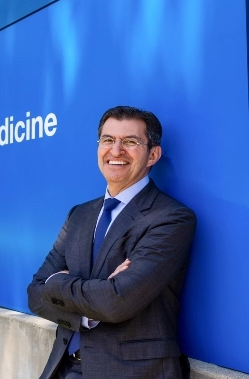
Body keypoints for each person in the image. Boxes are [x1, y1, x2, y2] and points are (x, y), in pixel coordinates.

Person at [27, 106, 196, 379]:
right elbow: (35, 294)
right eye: (108, 140)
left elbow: (115, 302)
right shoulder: (79, 215)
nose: (116, 151)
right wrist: (95, 298)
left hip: (134, 372)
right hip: (65, 367)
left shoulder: (171, 218)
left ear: (153, 154)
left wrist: (56, 284)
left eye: (130, 142)